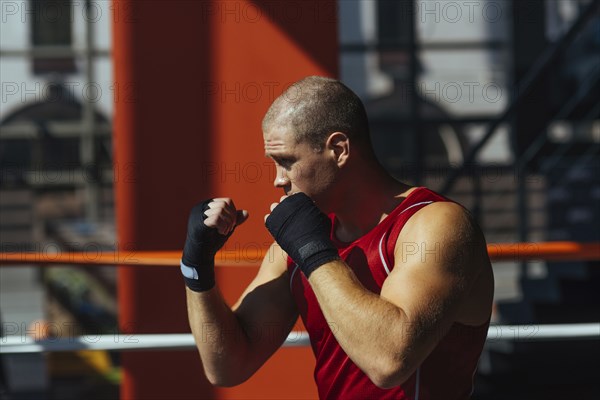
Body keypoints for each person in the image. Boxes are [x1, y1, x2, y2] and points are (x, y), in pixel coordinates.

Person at [180, 76, 494, 399]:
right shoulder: (299, 244)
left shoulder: (435, 224)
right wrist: (197, 265)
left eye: (286, 162)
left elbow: (389, 361)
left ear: (339, 149)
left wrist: (313, 252)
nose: (277, 180)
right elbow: (228, 365)